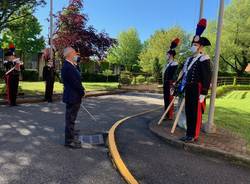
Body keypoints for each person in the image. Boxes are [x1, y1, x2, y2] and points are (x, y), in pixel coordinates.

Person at [179, 19, 212, 142]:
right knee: (188, 111)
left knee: (196, 113)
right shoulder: (189, 59)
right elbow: (185, 75)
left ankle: (194, 135)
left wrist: (204, 93)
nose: (193, 47)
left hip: (197, 89)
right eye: (193, 44)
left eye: (196, 45)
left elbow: (207, 76)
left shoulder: (204, 58)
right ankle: (188, 134)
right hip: (189, 88)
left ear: (201, 46)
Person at [61, 47, 85, 149]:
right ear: (70, 54)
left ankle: (72, 134)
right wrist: (82, 91)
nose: (76, 55)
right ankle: (69, 141)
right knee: (70, 119)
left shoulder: (72, 65)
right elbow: (75, 83)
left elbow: (79, 77)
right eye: (75, 53)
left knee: (72, 118)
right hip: (72, 96)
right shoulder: (67, 66)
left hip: (74, 96)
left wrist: (76, 64)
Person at [162, 38, 180, 120]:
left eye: (167, 54)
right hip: (165, 83)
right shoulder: (168, 64)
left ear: (171, 55)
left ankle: (169, 115)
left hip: (170, 83)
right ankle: (166, 113)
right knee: (166, 98)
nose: (166, 56)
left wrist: (173, 84)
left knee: (169, 99)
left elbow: (175, 75)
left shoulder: (174, 63)